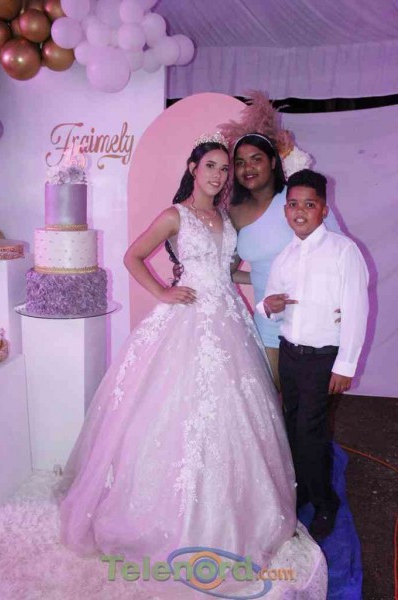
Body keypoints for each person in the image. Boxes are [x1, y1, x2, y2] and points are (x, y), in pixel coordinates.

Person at [55, 135, 327, 597]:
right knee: (176, 413)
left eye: (224, 168)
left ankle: (236, 512)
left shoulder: (224, 216)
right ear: (193, 168)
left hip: (230, 320)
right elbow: (132, 256)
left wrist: (272, 277)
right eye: (211, 166)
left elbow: (227, 271)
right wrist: (162, 292)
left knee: (235, 416)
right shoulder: (174, 215)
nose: (219, 175)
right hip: (187, 320)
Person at [258, 169, 369, 540]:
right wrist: (267, 306)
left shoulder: (343, 251)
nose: (300, 211)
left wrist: (345, 364)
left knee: (311, 432)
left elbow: (356, 309)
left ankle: (325, 502)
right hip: (290, 354)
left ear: (324, 209)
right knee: (292, 425)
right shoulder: (285, 256)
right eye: (293, 204)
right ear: (285, 211)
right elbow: (270, 301)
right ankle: (303, 487)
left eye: (309, 204)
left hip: (324, 358)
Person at [228, 132, 342, 390]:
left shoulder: (296, 200)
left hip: (311, 317)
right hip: (268, 317)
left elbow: (340, 253)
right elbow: (229, 270)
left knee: (309, 401)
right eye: (240, 162)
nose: (248, 168)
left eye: (256, 159)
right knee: (272, 398)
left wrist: (343, 305)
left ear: (273, 162)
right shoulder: (234, 211)